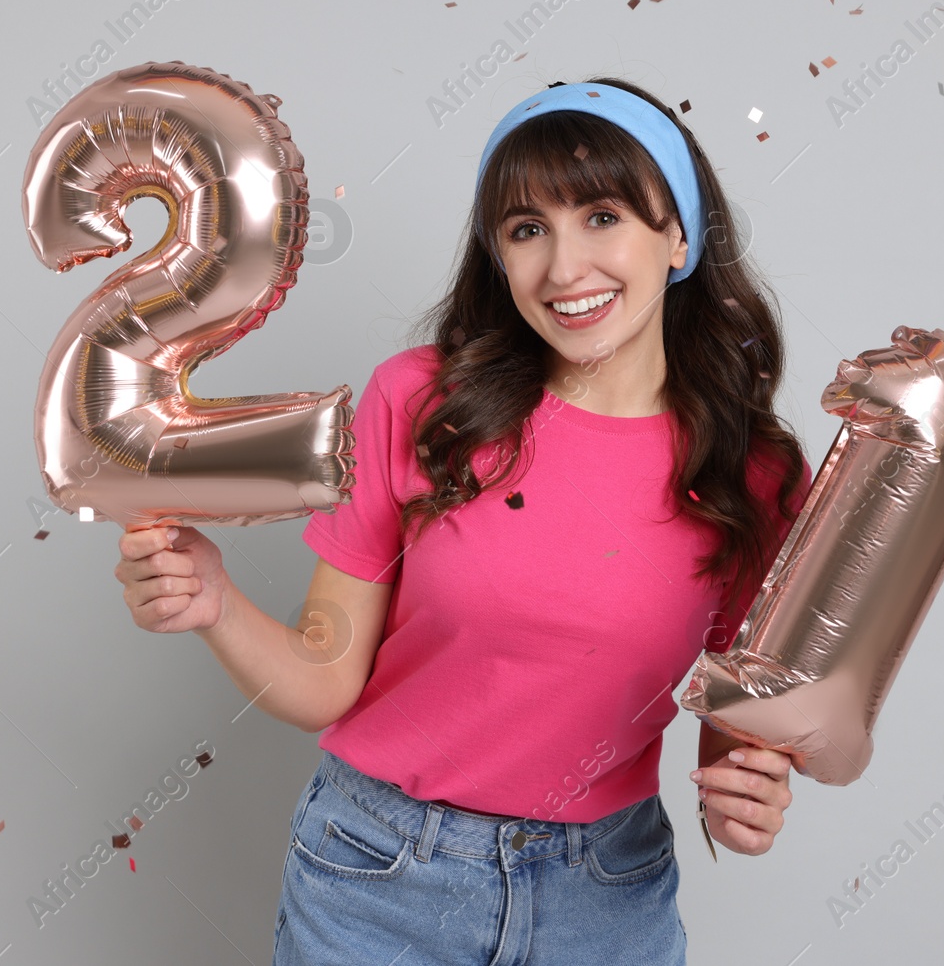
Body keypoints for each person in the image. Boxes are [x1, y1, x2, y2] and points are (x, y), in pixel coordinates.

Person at [115, 76, 813, 964]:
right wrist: (214, 600)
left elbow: (737, 736)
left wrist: (744, 800)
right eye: (528, 230)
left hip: (606, 896)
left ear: (678, 235)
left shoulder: (750, 472)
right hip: (379, 879)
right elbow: (324, 678)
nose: (564, 269)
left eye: (603, 217)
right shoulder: (422, 402)